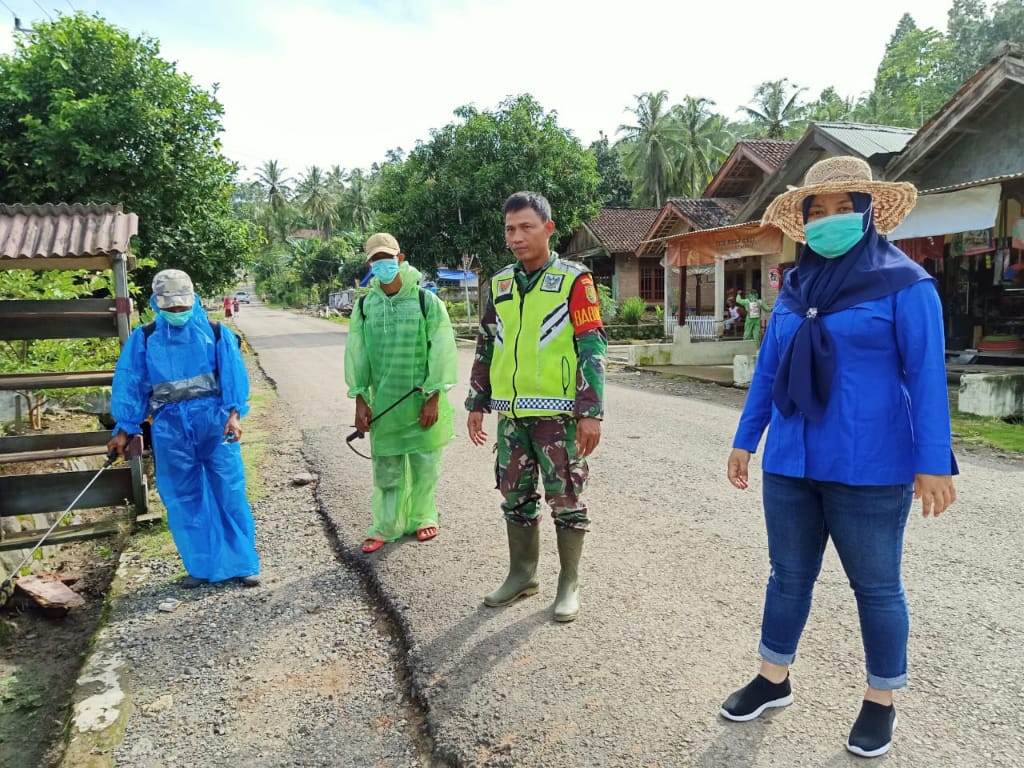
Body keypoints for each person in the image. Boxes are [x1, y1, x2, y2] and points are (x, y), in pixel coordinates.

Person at [721, 156, 958, 757]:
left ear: (869, 211)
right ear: (802, 222)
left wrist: (934, 461)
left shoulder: (906, 284)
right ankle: (773, 678)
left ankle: (882, 700)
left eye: (841, 207)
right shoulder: (794, 287)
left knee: (877, 588)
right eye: (815, 211)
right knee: (788, 576)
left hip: (871, 465)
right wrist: (747, 438)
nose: (828, 220)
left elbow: (926, 375)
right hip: (793, 460)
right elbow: (770, 368)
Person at [466, 191, 607, 623]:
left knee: (566, 497)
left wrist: (591, 410)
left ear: (548, 228)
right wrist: (477, 400)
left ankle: (569, 583)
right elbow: (488, 343)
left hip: (559, 415)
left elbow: (592, 344)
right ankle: (522, 574)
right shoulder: (501, 283)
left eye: (526, 227)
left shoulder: (573, 280)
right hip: (512, 415)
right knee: (514, 496)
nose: (516, 237)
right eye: (510, 229)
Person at [107, 269, 260, 588]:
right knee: (182, 496)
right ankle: (200, 566)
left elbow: (232, 378)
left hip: (215, 423)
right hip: (170, 429)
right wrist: (125, 427)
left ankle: (243, 562)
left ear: (193, 300)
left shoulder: (217, 333)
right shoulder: (145, 338)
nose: (177, 312)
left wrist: (235, 414)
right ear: (157, 304)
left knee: (228, 490)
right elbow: (132, 384)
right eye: (171, 307)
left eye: (182, 306)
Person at [344, 233, 459, 554]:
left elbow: (442, 351)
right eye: (375, 260)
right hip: (384, 403)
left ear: (401, 258)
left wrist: (434, 396)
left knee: (424, 466)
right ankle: (386, 524)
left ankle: (423, 516)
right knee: (387, 469)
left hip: (422, 401)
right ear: (369, 264)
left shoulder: (426, 302)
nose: (382, 265)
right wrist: (360, 399)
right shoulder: (365, 306)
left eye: (387, 258)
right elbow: (358, 354)